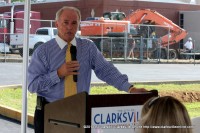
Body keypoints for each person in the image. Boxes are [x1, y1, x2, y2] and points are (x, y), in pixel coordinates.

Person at [28, 6, 147, 133]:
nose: (70, 27)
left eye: (74, 23)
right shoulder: (43, 52)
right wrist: (58, 74)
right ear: (57, 24)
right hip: (50, 114)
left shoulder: (88, 48)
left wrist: (130, 88)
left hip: (80, 112)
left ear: (78, 25)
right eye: (65, 22)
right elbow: (33, 85)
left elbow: (106, 70)